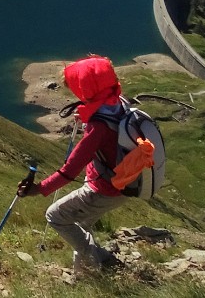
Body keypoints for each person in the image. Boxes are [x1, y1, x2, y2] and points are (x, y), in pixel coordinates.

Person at [18, 55, 128, 276]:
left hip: (103, 190)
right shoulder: (119, 103)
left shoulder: (99, 127)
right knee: (82, 223)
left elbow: (70, 171)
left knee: (55, 216)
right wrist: (87, 115)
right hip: (124, 185)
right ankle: (99, 261)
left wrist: (39, 189)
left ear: (88, 87)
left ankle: (90, 273)